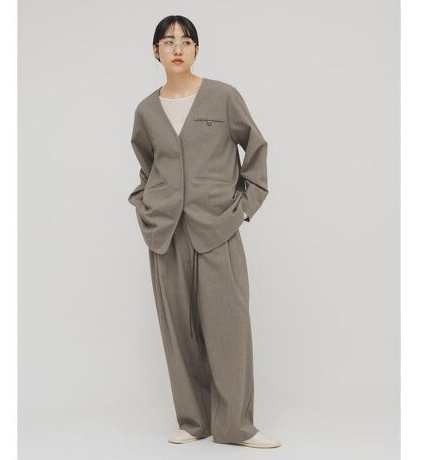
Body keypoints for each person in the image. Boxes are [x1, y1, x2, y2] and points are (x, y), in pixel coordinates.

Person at [128, 15, 281, 449]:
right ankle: (194, 420)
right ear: (155, 51)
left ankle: (236, 426)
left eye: (186, 41)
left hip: (217, 228)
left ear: (196, 49)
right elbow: (147, 167)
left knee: (228, 325)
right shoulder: (146, 111)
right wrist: (146, 207)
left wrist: (243, 208)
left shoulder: (223, 97)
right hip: (166, 234)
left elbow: (256, 149)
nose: (177, 48)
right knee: (178, 329)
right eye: (168, 41)